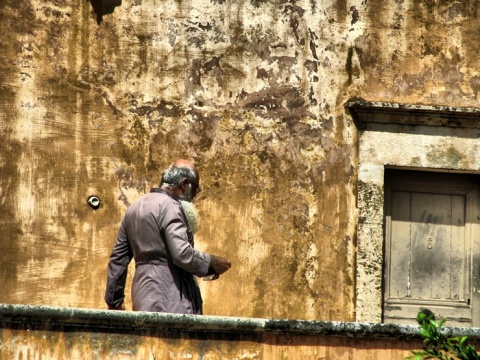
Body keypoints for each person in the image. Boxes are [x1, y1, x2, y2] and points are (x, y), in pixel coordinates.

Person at [104, 159, 231, 314]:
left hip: (142, 297)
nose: (194, 197)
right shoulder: (171, 207)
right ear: (184, 184)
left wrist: (114, 301)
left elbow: (118, 259)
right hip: (172, 298)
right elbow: (182, 254)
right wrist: (212, 262)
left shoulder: (134, 208)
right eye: (195, 190)